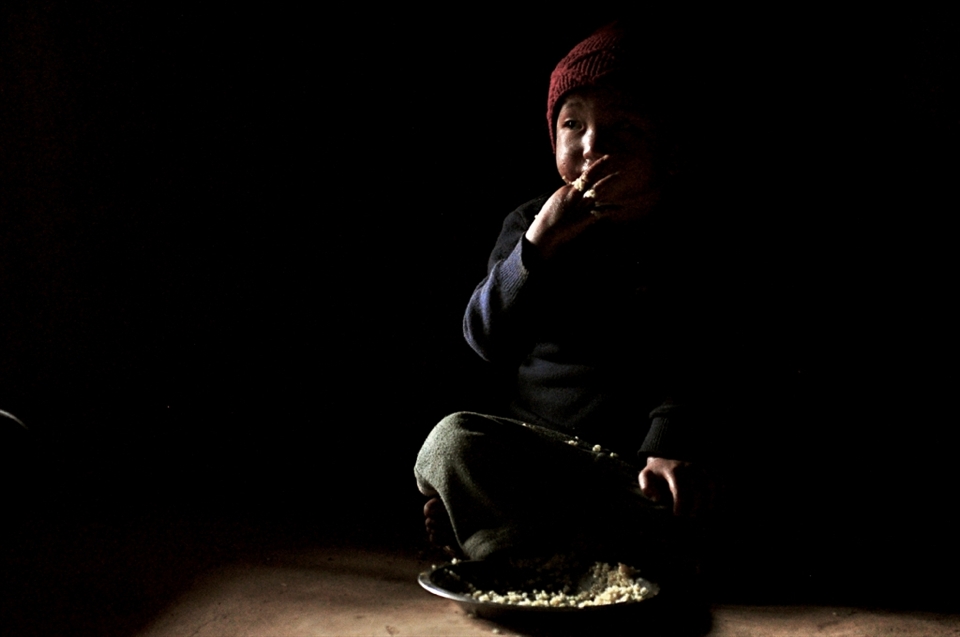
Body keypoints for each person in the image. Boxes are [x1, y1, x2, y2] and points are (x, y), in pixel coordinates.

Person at [415, 21, 717, 575]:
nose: (590, 147)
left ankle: (506, 538)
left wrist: (670, 444)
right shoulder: (532, 226)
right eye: (573, 124)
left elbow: (699, 356)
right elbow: (485, 337)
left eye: (622, 130)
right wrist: (537, 248)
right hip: (539, 456)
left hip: (634, 468)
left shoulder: (688, 239)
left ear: (667, 150)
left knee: (706, 502)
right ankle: (532, 536)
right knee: (450, 443)